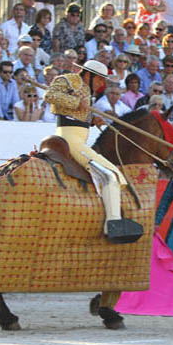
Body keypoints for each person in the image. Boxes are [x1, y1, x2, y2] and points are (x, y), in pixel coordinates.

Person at [44, 60, 141, 242]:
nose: (100, 84)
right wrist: (75, 101)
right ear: (88, 75)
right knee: (109, 175)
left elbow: (76, 115)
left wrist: (91, 119)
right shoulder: (68, 79)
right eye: (99, 80)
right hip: (69, 138)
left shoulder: (87, 90)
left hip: (79, 137)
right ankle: (112, 224)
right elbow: (49, 95)